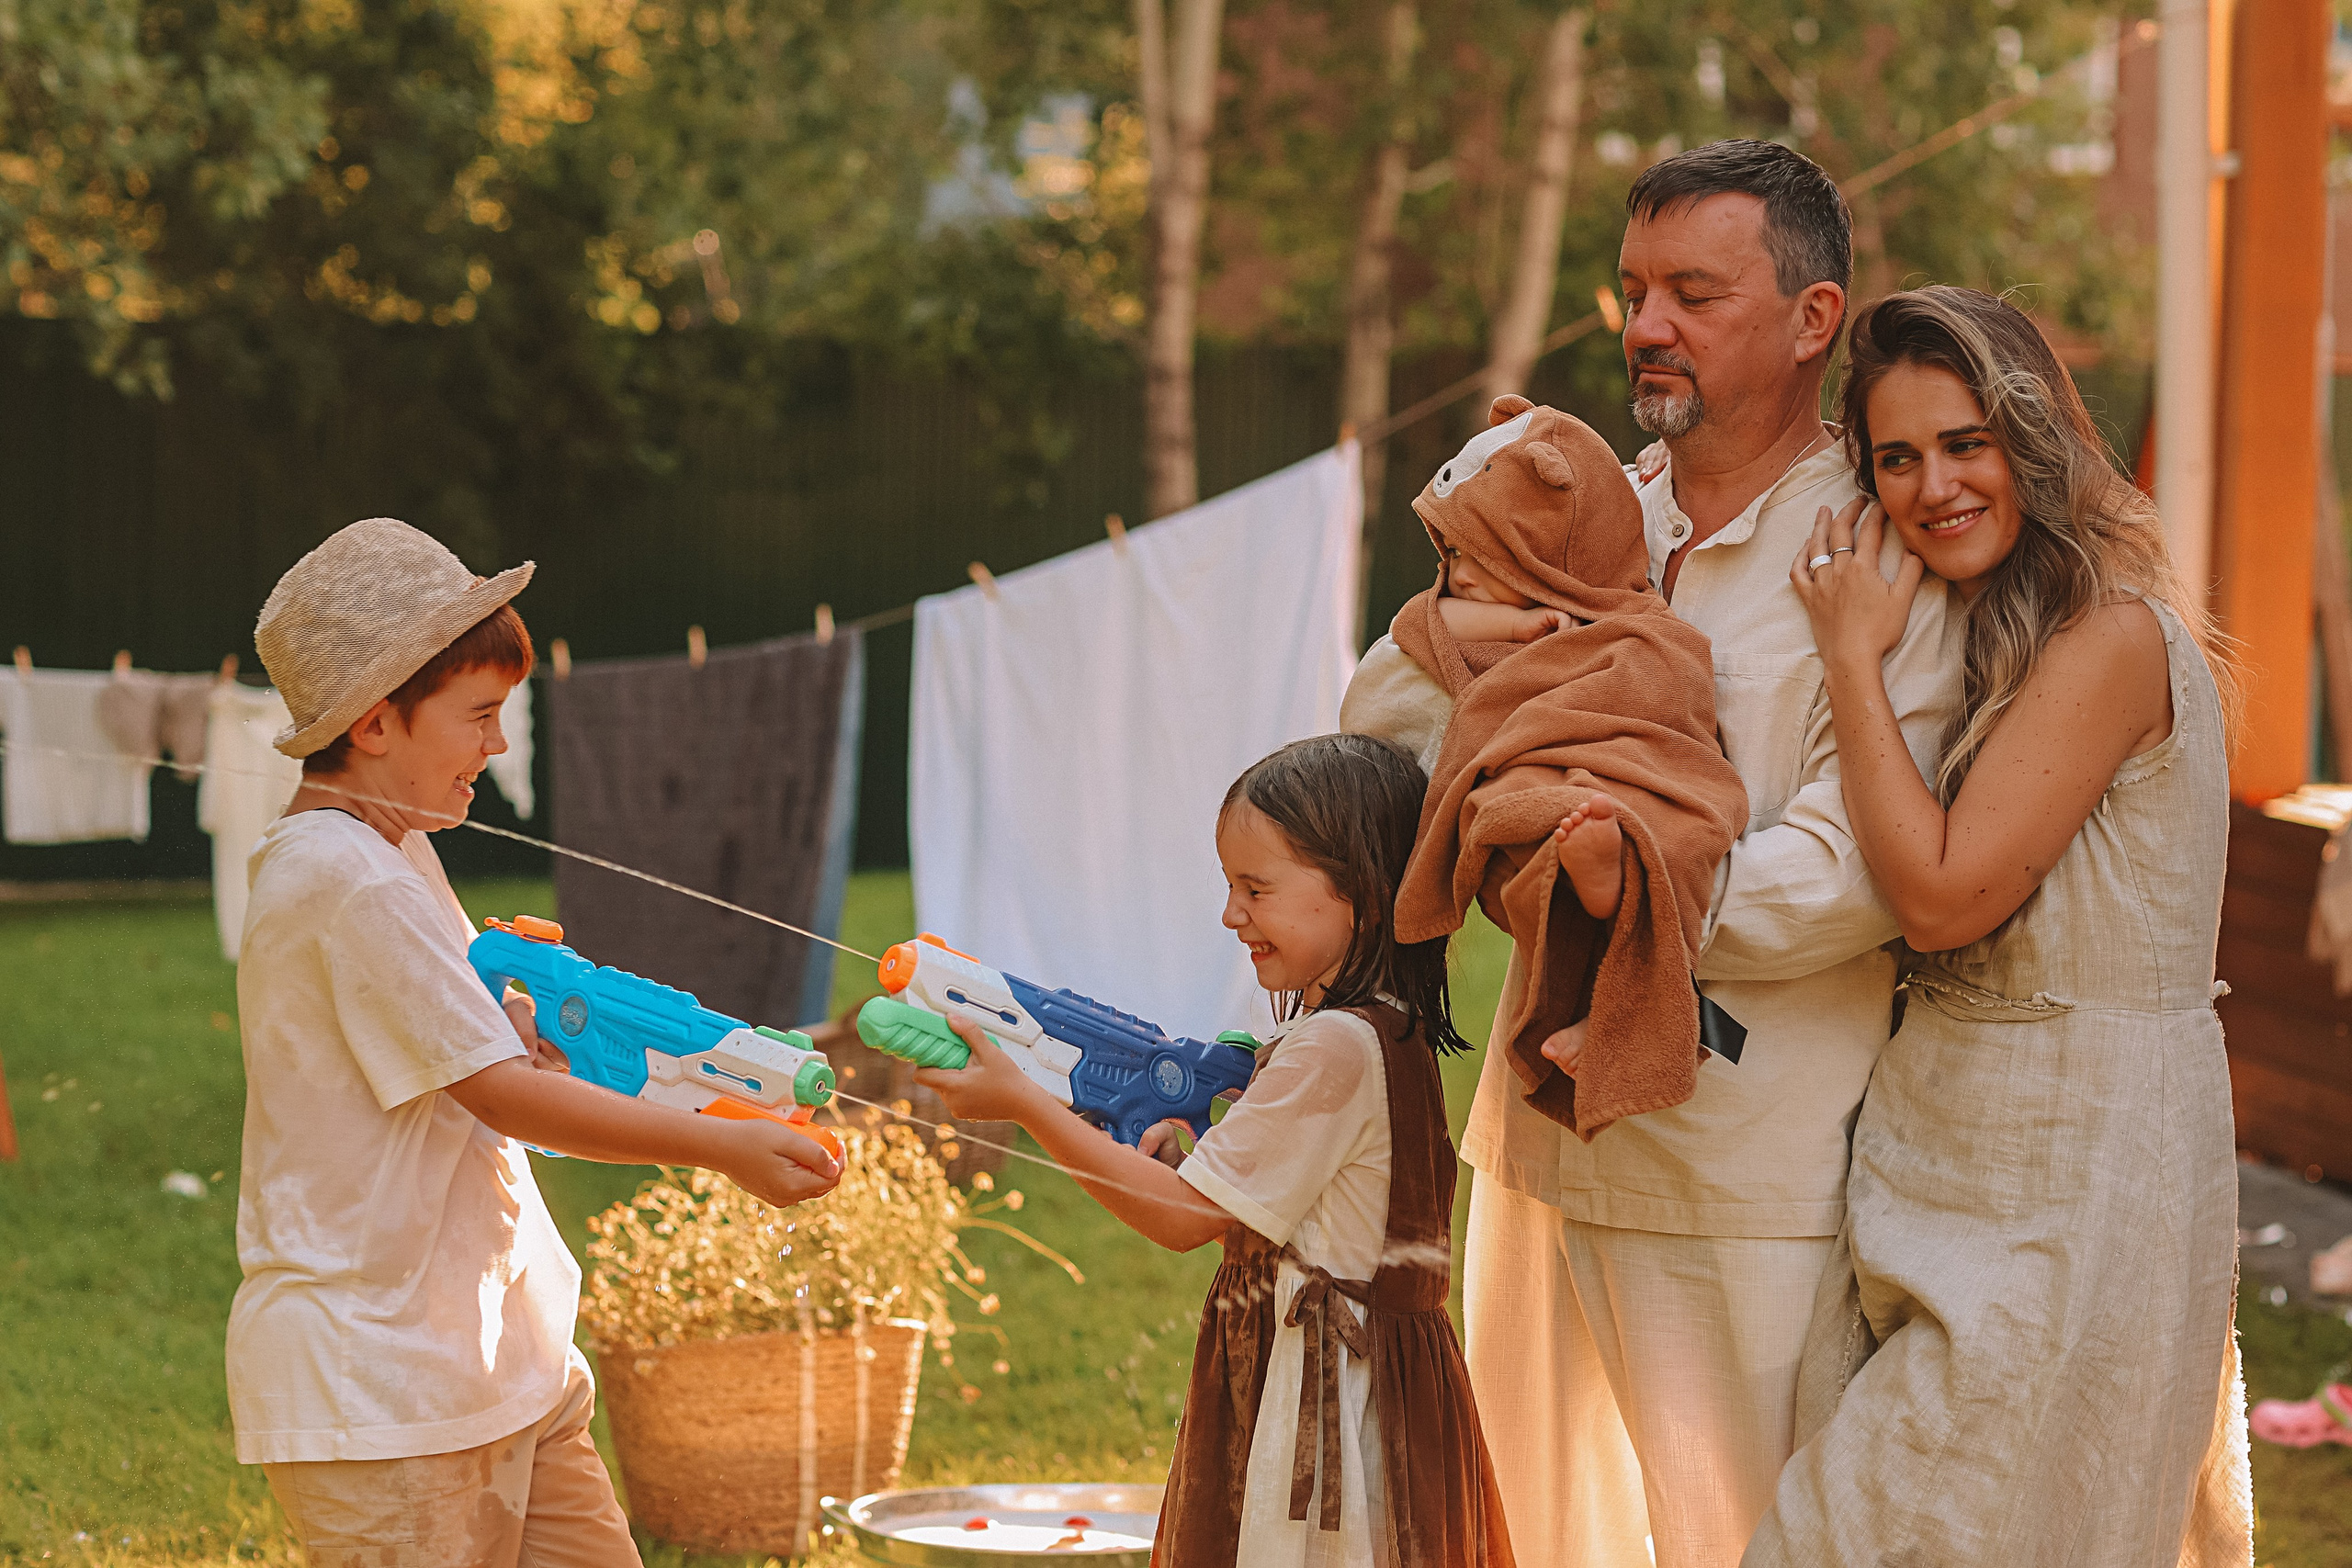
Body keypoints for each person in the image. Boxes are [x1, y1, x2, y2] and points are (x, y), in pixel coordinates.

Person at [1447, 140, 1963, 1568]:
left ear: (1812, 317)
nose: (1648, 325)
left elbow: (1864, 863)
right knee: (1523, 1535)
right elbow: (1422, 726)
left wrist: (1639, 888)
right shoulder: (1583, 506)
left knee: (1750, 1542)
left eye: (1693, 291)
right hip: (1540, 1129)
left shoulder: (1886, 545)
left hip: (1750, 1164)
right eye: (1633, 291)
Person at [1742, 288, 2250, 1566]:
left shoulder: (2110, 634)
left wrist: (1851, 656)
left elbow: (1942, 894)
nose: (1934, 486)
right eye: (1897, 457)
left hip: (2079, 1168)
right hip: (1948, 1150)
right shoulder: (1996, 629)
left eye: (1965, 443)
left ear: (2031, 436)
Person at [229, 518, 842, 1568]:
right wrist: (726, 1146)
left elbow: (468, 1061)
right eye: (479, 716)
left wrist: (510, 1034)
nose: (499, 747)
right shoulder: (349, 879)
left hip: (496, 1367)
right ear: (375, 725)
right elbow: (505, 1097)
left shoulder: (393, 850)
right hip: (389, 1401)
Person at [918, 733, 1515, 1568]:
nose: (1232, 914)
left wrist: (1025, 1102)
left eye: (1256, 888)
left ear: (1361, 894)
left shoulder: (1331, 1046)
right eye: (1231, 886)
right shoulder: (1379, 1027)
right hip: (1370, 1394)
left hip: (1326, 1420)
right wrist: (1189, 1164)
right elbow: (1275, 1207)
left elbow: (1181, 1218)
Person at [1342, 395, 1748, 1140]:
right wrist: (1516, 620)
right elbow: (1419, 624)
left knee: (1675, 833)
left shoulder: (1642, 630)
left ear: (1552, 558)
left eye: (1480, 558)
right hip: (1552, 780)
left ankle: (1622, 993)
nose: (1457, 576)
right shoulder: (1483, 615)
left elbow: (1674, 711)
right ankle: (1599, 915)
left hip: (1632, 772)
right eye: (1451, 555)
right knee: (1528, 811)